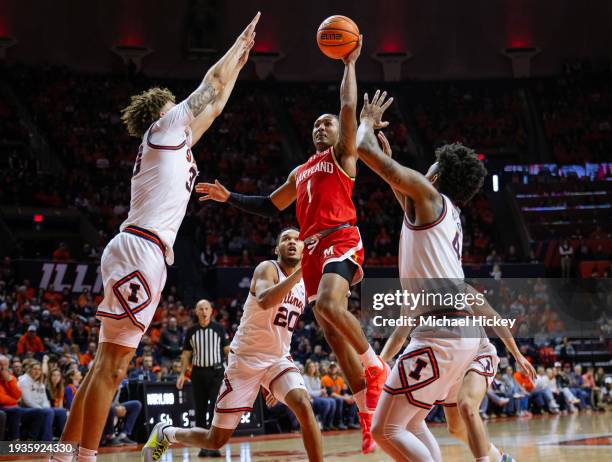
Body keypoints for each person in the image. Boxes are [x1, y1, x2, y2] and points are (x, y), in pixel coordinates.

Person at [50, 14, 259, 462]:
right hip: (141, 249)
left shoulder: (175, 142)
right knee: (112, 368)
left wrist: (240, 64)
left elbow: (217, 103)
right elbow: (210, 83)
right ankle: (82, 456)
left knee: (103, 367)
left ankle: (64, 453)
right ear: (165, 109)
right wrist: (237, 45)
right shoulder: (164, 128)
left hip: (137, 250)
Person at [196, 34, 387, 454]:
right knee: (333, 333)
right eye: (317, 124)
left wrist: (349, 64)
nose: (322, 126)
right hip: (315, 251)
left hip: (342, 238)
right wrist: (231, 198)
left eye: (328, 123)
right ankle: (367, 413)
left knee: (332, 308)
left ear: (340, 134)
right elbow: (270, 204)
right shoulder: (301, 171)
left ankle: (376, 367)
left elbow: (349, 108)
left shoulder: (343, 156)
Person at [357, 91, 534, 462]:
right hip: (456, 332)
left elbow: (362, 150)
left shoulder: (426, 194)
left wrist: (367, 123)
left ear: (435, 172)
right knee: (414, 421)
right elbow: (398, 189)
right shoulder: (443, 211)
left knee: (385, 430)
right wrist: (389, 160)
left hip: (442, 334)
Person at [143, 228, 323, 462]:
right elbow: (265, 300)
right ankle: (166, 432)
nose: (292, 242)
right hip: (244, 363)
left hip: (278, 360)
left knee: (302, 403)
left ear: (303, 249)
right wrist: (300, 273)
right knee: (215, 440)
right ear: (276, 249)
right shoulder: (268, 269)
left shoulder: (303, 284)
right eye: (285, 239)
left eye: (297, 240)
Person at [177, 299, 230, 457]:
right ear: (196, 311)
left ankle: (213, 445)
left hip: (216, 373)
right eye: (201, 309)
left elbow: (228, 350)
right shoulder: (191, 331)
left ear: (211, 311)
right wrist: (182, 374)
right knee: (199, 410)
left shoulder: (219, 329)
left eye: (207, 308)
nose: (204, 311)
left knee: (215, 408)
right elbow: (186, 354)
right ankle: (203, 445)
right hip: (198, 373)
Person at [18, 360, 67, 440]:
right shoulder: (23, 381)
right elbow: (27, 401)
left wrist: (46, 407)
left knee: (61, 411)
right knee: (48, 412)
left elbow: (45, 400)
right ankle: (46, 441)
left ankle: (64, 440)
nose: (37, 371)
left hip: (39, 408)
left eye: (39, 370)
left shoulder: (40, 384)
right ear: (29, 370)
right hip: (26, 409)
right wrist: (42, 409)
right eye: (35, 369)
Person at [320, 363, 359, 430]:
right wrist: (345, 398)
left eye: (334, 367)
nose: (332, 369)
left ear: (337, 369)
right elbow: (330, 393)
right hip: (329, 397)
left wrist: (349, 397)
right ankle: (338, 422)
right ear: (328, 369)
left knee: (353, 400)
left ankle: (350, 421)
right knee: (339, 400)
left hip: (339, 397)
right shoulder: (324, 379)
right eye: (331, 368)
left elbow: (344, 392)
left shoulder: (340, 379)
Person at [303, 360, 336, 430]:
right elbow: (309, 392)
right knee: (327, 403)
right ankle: (322, 422)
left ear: (315, 368)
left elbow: (318, 390)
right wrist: (320, 392)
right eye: (310, 367)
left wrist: (323, 393)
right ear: (307, 368)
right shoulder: (305, 377)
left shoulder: (317, 377)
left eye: (313, 367)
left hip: (318, 397)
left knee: (333, 401)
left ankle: (329, 423)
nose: (312, 368)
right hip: (311, 398)